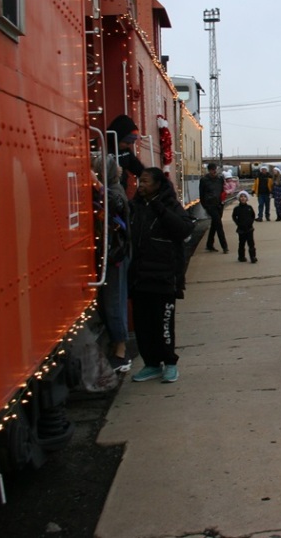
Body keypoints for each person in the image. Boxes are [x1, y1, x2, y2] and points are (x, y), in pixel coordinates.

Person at [128, 168, 195, 383]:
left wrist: (159, 208)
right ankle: (152, 364)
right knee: (143, 326)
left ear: (158, 184)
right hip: (140, 278)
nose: (141, 185)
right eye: (140, 181)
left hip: (164, 278)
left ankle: (170, 363)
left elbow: (184, 229)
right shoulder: (136, 207)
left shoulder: (170, 205)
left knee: (163, 324)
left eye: (146, 181)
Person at [92, 153, 132, 373]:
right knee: (110, 301)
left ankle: (121, 352)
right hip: (113, 253)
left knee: (114, 301)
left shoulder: (114, 191)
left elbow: (114, 203)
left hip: (116, 255)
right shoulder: (114, 187)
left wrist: (95, 183)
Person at [107, 114, 145, 200]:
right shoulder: (103, 146)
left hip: (120, 193)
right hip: (106, 192)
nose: (128, 145)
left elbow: (138, 168)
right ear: (118, 138)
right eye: (126, 142)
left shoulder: (126, 152)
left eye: (131, 143)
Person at [199, 162, 229, 253]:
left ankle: (209, 244)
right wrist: (205, 205)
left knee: (214, 224)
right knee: (219, 225)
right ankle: (224, 246)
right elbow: (201, 193)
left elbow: (223, 190)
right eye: (212, 170)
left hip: (219, 204)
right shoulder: (204, 180)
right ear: (209, 170)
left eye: (215, 169)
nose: (214, 171)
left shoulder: (220, 179)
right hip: (210, 205)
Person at [231, 191, 258, 263]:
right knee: (241, 243)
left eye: (244, 197)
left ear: (247, 198)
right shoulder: (237, 208)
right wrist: (238, 223)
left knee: (251, 243)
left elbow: (253, 216)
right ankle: (241, 256)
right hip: (241, 229)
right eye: (241, 197)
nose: (243, 198)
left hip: (249, 228)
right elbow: (234, 216)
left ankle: (253, 256)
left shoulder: (249, 207)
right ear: (239, 198)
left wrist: (250, 222)